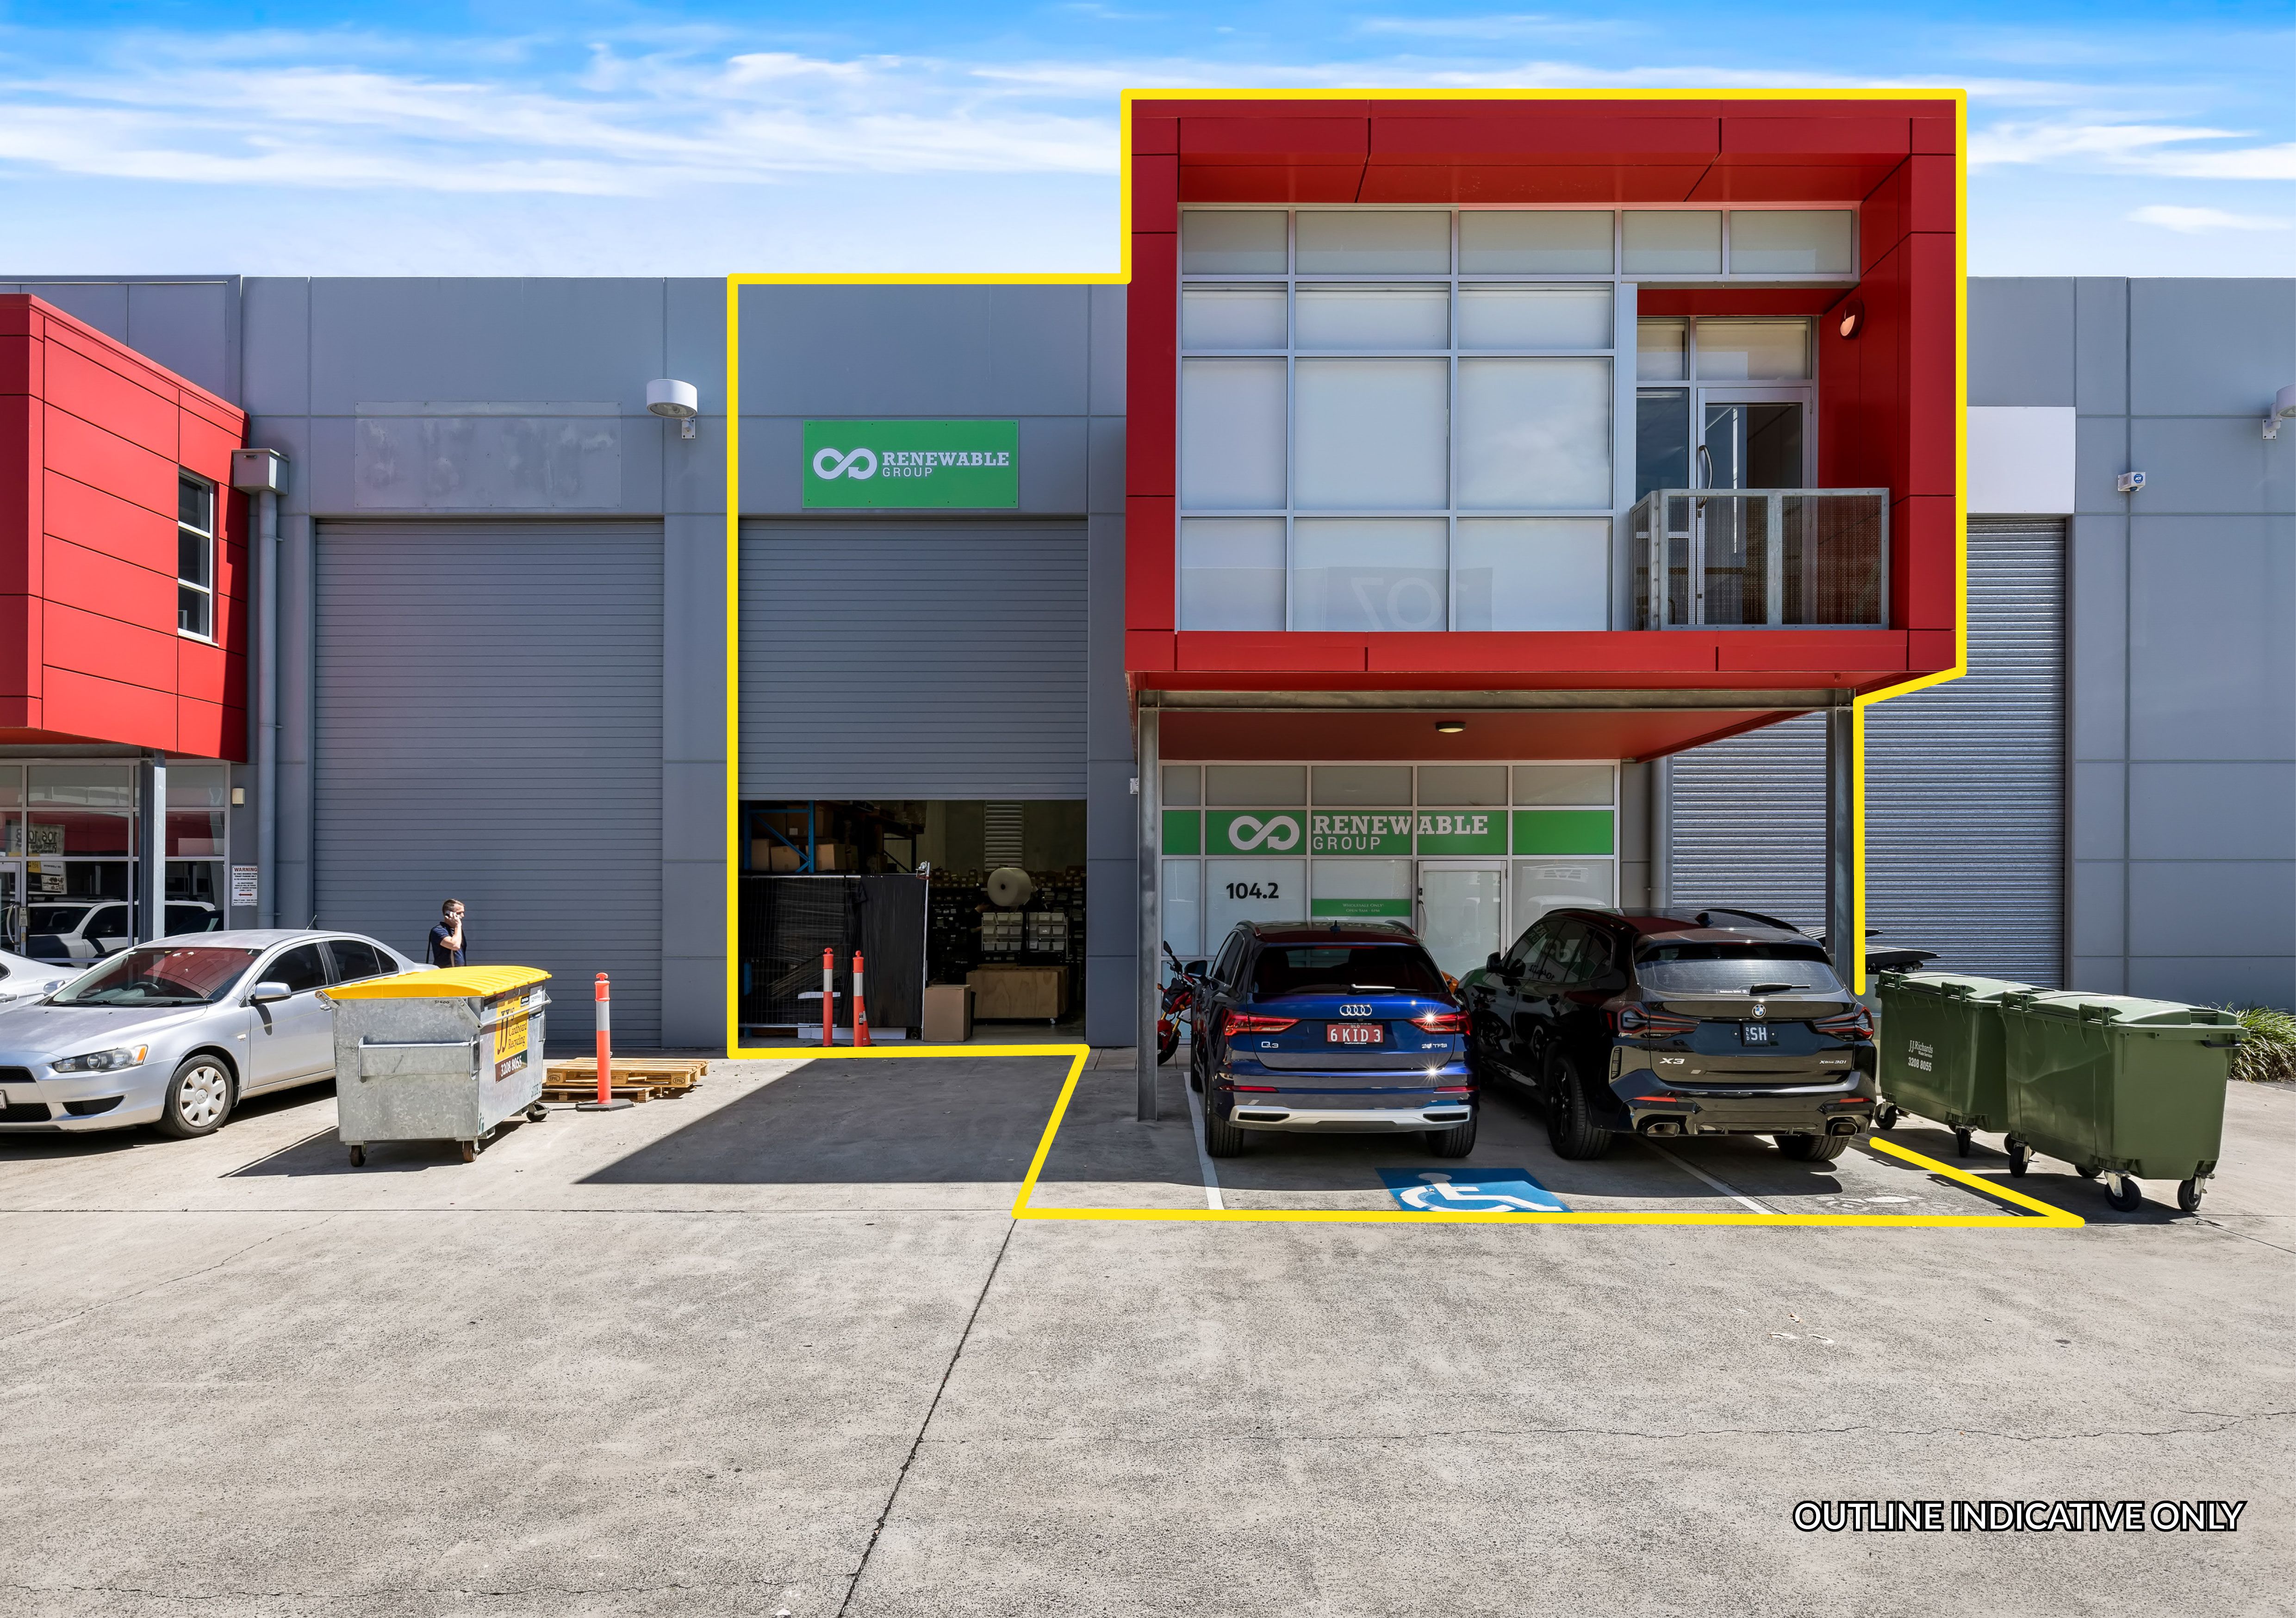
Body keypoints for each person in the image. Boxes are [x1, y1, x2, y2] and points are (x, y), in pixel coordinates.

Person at [427, 899, 469, 968]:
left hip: (460, 971)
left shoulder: (458, 931)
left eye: (463, 912)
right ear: (448, 914)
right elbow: (455, 946)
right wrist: (458, 925)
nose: (463, 916)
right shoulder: (438, 930)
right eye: (459, 913)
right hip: (446, 972)